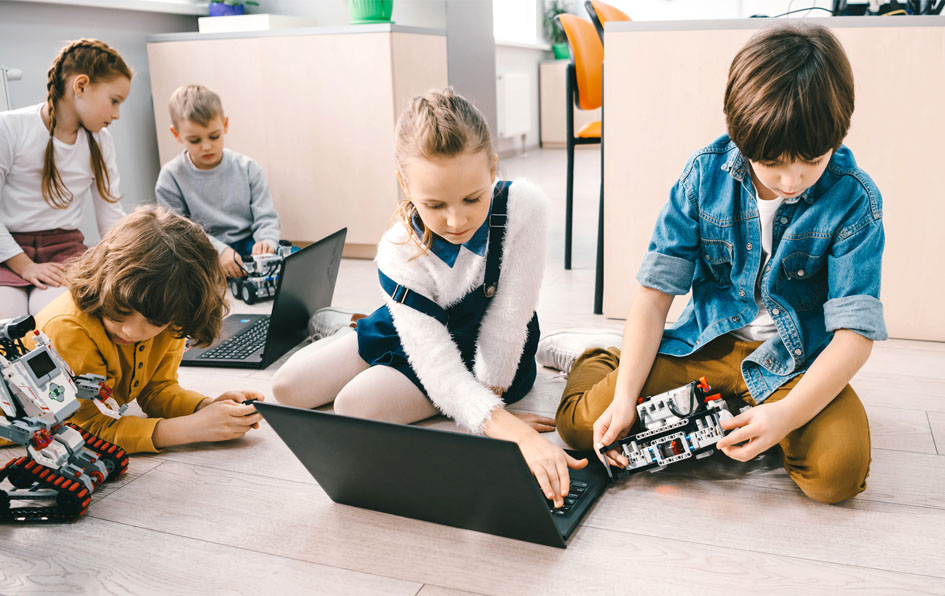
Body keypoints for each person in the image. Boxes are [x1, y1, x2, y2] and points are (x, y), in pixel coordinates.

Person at [546, 24, 885, 504]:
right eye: (774, 163)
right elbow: (654, 294)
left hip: (794, 364)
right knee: (583, 428)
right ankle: (599, 357)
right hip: (704, 347)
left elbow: (854, 337)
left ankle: (741, 415)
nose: (793, 179)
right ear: (741, 137)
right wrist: (625, 400)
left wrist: (784, 418)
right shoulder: (704, 175)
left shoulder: (856, 199)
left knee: (838, 475)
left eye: (812, 159)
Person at [273, 88, 586, 508]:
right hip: (417, 333)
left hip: (491, 353)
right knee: (286, 388)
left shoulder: (524, 207)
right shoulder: (396, 250)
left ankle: (546, 352)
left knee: (354, 406)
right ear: (405, 184)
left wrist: (493, 418)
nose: (456, 220)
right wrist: (504, 426)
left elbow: (506, 326)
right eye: (435, 204)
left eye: (473, 198)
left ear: (492, 168)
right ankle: (346, 327)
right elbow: (435, 365)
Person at [30, 206, 264, 454]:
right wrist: (191, 429)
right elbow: (82, 431)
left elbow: (157, 390)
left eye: (155, 321)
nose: (131, 331)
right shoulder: (68, 328)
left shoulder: (171, 311)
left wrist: (205, 408)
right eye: (119, 310)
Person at [0, 38, 129, 318]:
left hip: (65, 255)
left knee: (59, 320)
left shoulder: (101, 142)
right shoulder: (9, 128)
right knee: (8, 324)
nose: (117, 114)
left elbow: (111, 218)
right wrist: (24, 265)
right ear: (81, 86)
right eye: (114, 101)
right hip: (8, 254)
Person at [155, 84, 282, 280]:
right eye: (195, 140)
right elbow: (180, 231)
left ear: (225, 125)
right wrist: (219, 251)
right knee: (175, 273)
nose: (206, 146)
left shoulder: (248, 168)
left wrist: (267, 242)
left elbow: (266, 218)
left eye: (214, 136)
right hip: (203, 248)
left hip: (247, 243)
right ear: (176, 135)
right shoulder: (170, 177)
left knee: (293, 258)